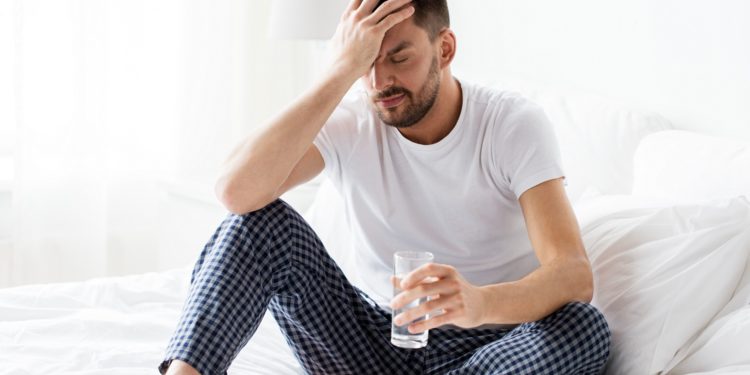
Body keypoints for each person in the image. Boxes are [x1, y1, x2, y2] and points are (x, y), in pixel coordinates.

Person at [159, 0, 611, 373]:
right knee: (259, 223)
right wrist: (339, 72)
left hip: (492, 346)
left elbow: (572, 273)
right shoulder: (351, 119)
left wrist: (476, 303)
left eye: (399, 58)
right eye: (366, 63)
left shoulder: (510, 125)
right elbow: (236, 193)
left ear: (445, 48)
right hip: (376, 341)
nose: (380, 82)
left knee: (582, 328)